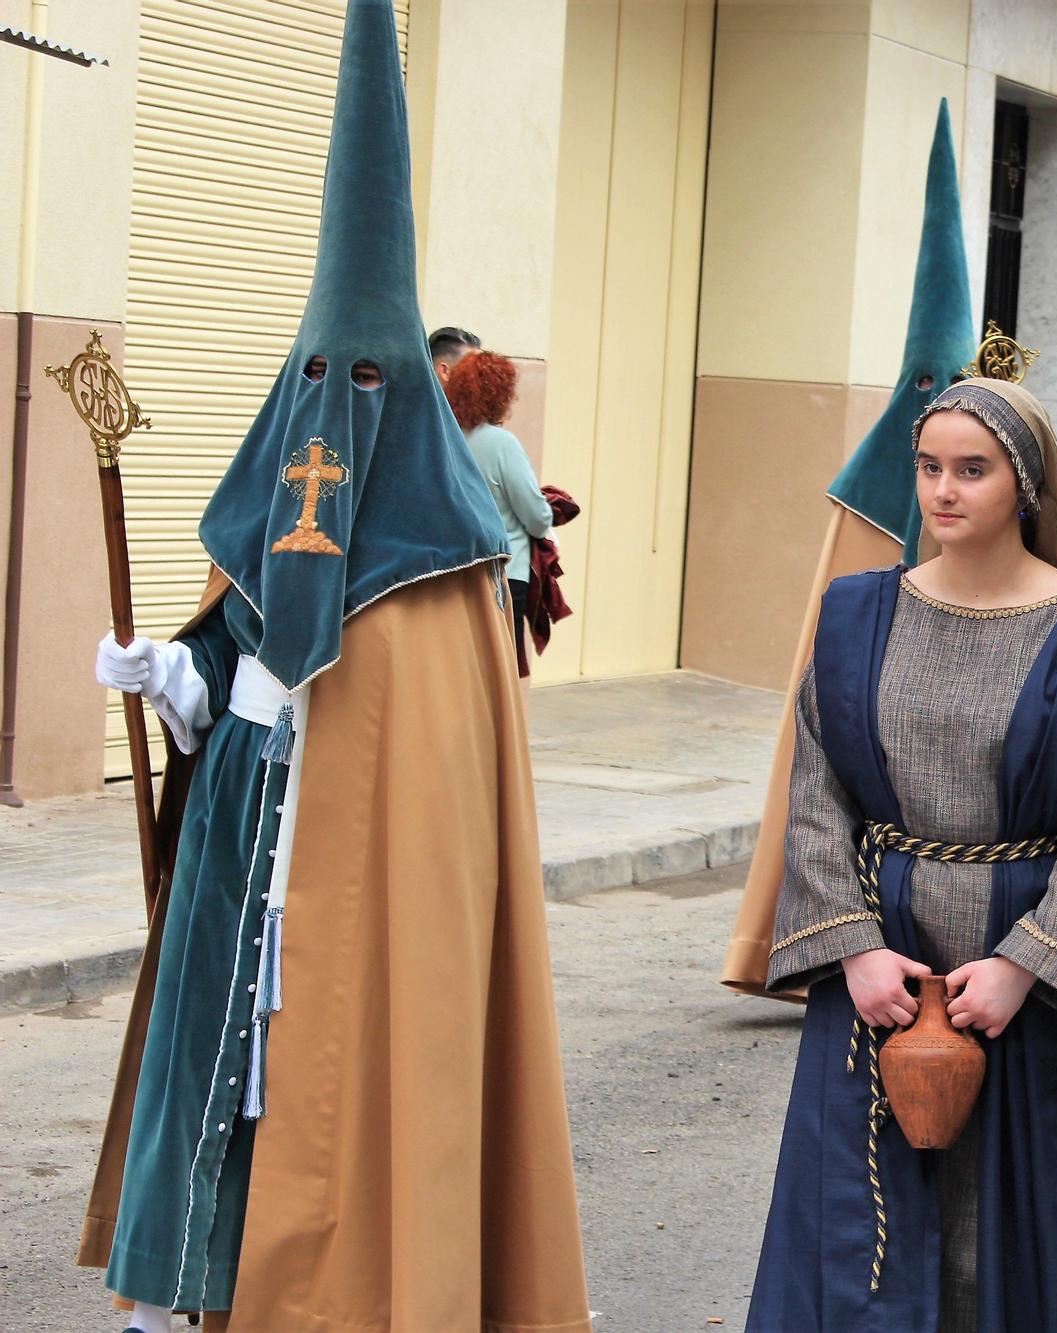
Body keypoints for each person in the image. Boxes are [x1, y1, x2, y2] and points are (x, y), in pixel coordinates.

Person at [79, 5, 591, 1329]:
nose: (331, 413)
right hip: (244, 857)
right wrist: (172, 678)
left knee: (348, 1069)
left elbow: (442, 794)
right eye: (316, 377)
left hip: (358, 894)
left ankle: (366, 1284)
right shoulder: (260, 512)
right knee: (218, 1066)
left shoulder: (448, 565)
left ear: (409, 400)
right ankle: (185, 1290)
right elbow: (228, 663)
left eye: (364, 379)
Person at [748, 378, 1057, 1328]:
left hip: (1023, 978)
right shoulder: (856, 618)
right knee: (865, 1228)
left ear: (1026, 485)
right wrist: (854, 947)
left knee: (1014, 1226)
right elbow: (816, 796)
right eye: (929, 468)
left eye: (972, 469)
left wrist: (1025, 966)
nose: (943, 491)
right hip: (883, 963)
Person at [721, 99, 976, 1000]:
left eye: (950, 386)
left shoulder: (985, 495)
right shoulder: (863, 492)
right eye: (920, 386)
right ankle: (803, 946)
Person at [444, 348, 555, 662]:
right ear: (500, 394)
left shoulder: (447, 438)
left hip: (456, 573)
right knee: (500, 670)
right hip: (505, 575)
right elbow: (536, 516)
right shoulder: (501, 443)